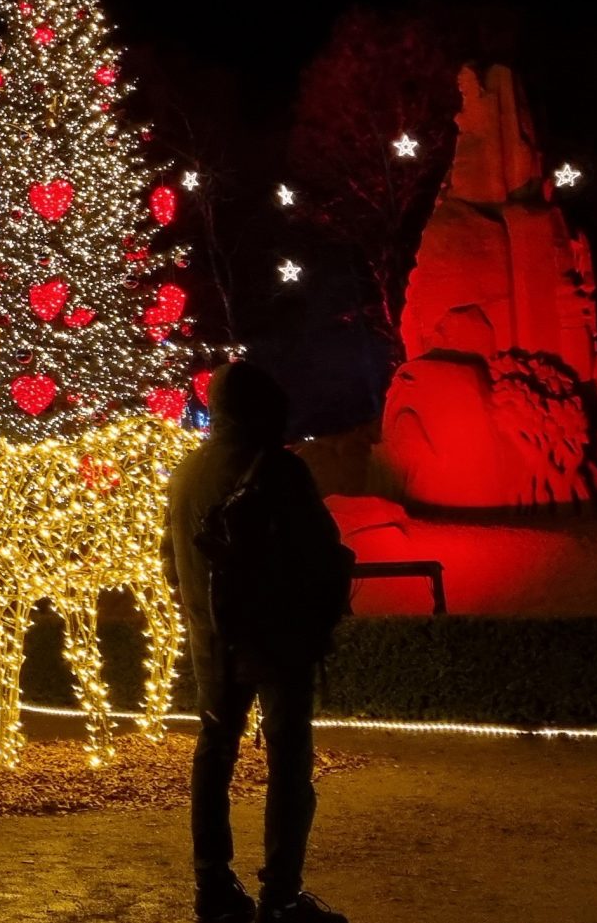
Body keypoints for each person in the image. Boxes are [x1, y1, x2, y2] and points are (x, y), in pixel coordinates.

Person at [163, 362, 349, 923]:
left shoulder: (185, 473)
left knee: (214, 755)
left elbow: (171, 564)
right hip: (278, 641)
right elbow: (321, 555)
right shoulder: (280, 470)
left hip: (212, 643)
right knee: (289, 761)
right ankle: (282, 897)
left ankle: (212, 887)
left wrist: (206, 614)